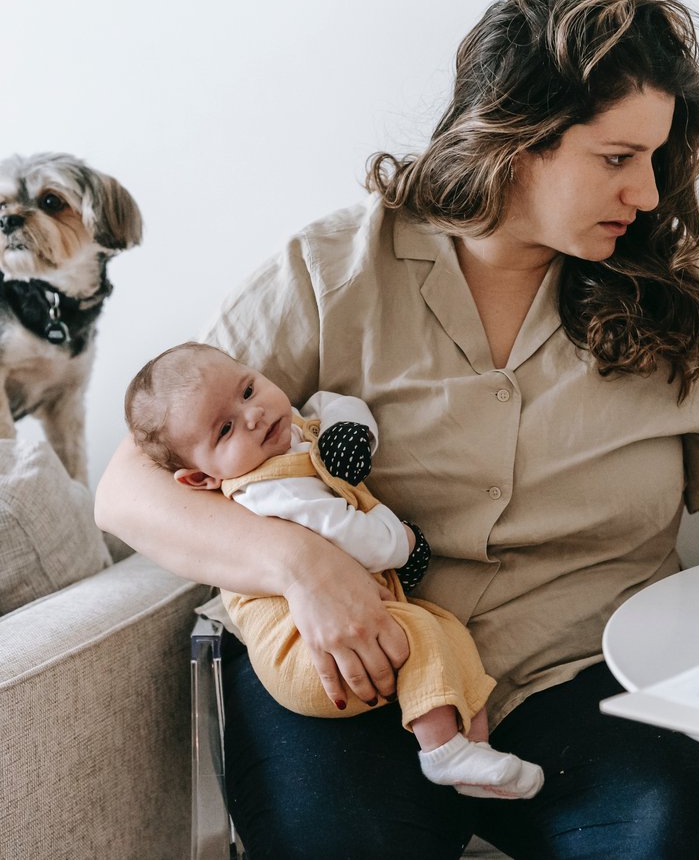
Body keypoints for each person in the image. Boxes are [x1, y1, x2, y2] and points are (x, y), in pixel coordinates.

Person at [96, 0, 699, 859]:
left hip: (587, 674)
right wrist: (298, 562)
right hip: (354, 670)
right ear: (518, 137)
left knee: (670, 839)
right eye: (617, 158)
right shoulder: (332, 270)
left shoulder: (679, 292)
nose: (646, 194)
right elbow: (129, 491)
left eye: (655, 159)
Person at [123, 341, 543, 800]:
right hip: (306, 655)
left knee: (449, 632)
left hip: (355, 622)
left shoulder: (292, 430)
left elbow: (331, 403)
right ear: (201, 479)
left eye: (248, 390)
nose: (254, 416)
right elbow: (353, 536)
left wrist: (350, 431)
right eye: (225, 429)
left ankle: (474, 752)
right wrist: (404, 542)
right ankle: (440, 750)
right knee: (422, 633)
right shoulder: (266, 490)